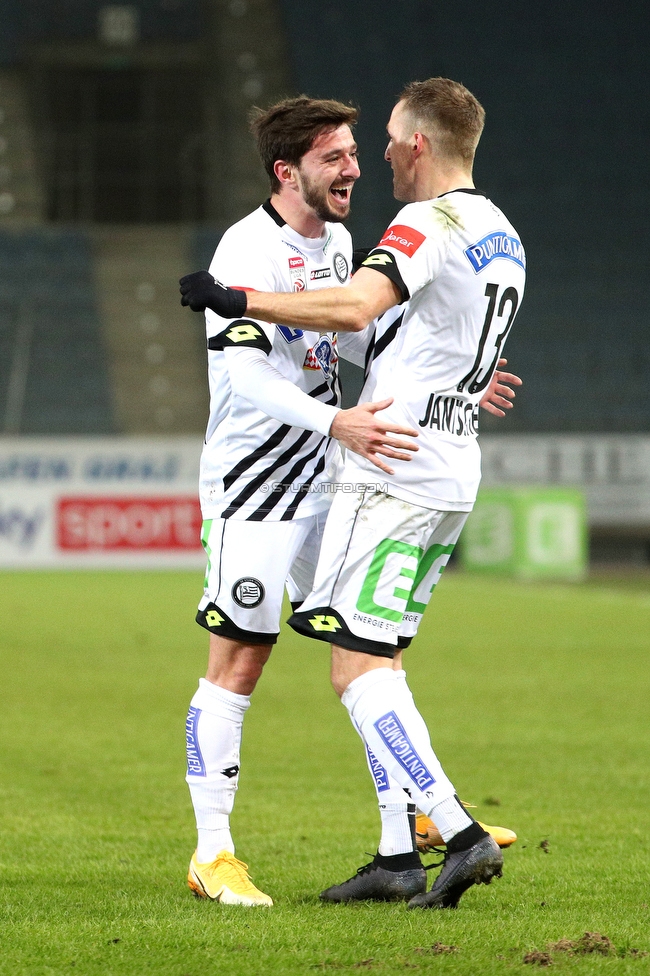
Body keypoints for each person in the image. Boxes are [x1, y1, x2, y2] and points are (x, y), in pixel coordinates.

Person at [179, 77, 526, 910]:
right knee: (242, 657)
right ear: (284, 170)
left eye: (354, 154)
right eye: (333, 157)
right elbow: (245, 381)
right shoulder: (244, 252)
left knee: (370, 647)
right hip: (258, 476)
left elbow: (368, 336)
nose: (353, 170)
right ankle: (212, 853)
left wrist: (453, 386)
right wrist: (333, 424)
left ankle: (403, 840)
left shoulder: (339, 248)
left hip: (331, 469)